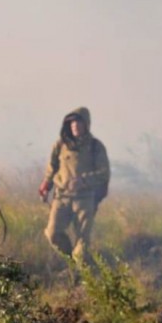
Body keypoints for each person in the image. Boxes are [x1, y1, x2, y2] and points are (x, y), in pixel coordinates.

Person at [39, 107, 110, 266]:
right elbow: (52, 167)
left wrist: (83, 181)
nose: (75, 126)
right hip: (62, 197)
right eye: (72, 123)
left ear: (86, 124)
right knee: (52, 233)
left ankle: (83, 276)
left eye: (78, 122)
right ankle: (71, 261)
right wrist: (46, 185)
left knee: (82, 242)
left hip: (85, 200)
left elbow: (104, 173)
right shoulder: (60, 145)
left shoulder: (95, 147)